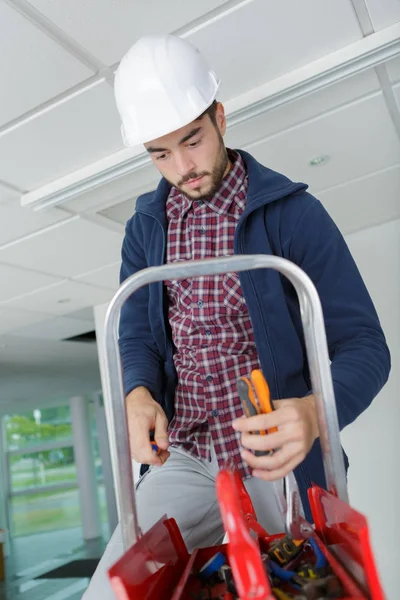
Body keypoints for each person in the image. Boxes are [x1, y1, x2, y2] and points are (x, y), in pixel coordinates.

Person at [114, 34, 390, 551]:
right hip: (187, 452)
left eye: (192, 140)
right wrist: (138, 393)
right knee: (117, 586)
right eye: (160, 154)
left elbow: (366, 348)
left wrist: (313, 414)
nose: (182, 168)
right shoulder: (144, 230)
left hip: (275, 452)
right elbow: (138, 339)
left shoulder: (294, 215)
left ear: (220, 116)